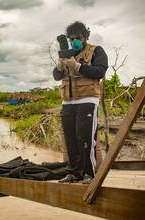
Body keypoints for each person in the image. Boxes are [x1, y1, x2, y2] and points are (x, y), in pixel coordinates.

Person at [53, 21, 108, 184]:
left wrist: (77, 66)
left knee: (84, 138)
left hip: (87, 99)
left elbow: (100, 71)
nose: (75, 40)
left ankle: (89, 174)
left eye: (79, 37)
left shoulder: (96, 50)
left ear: (86, 36)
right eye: (72, 38)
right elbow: (57, 76)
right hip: (68, 102)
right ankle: (74, 172)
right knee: (70, 139)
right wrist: (60, 66)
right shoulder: (66, 53)